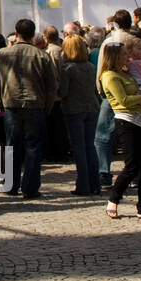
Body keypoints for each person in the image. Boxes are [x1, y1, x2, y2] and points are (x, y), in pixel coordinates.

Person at [0, 19, 59, 199]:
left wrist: (0, 103)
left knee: (12, 146)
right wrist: (48, 107)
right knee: (33, 147)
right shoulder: (42, 55)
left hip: (11, 105)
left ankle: (11, 185)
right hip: (35, 105)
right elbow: (52, 86)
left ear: (16, 32)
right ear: (33, 33)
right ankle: (30, 187)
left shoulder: (2, 54)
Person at [99, 40, 141, 220]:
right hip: (127, 121)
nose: (127, 57)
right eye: (123, 55)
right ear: (114, 57)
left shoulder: (126, 72)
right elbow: (124, 101)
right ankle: (113, 200)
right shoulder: (110, 76)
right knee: (132, 165)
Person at [57, 34, 100, 196]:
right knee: (90, 146)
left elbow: (63, 91)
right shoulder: (90, 66)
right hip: (92, 108)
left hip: (74, 109)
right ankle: (95, 183)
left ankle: (83, 185)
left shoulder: (67, 69)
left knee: (79, 148)